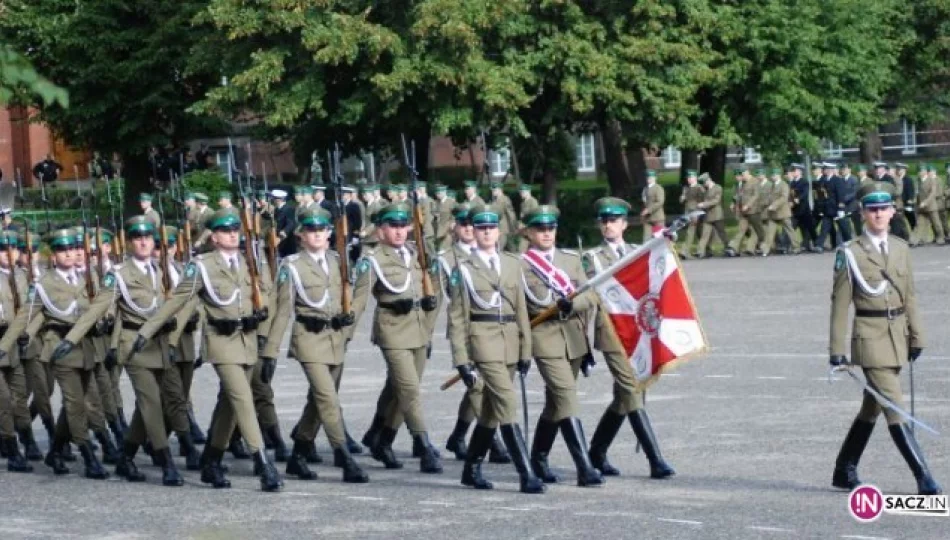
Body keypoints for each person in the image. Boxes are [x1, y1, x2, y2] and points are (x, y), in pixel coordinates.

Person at [130, 207, 283, 492]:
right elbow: (178, 300)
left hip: (247, 340)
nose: (233, 235)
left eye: (236, 230)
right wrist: (148, 330)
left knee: (230, 404)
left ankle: (211, 462)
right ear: (213, 237)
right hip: (221, 342)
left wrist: (264, 334)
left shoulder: (249, 261)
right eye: (226, 231)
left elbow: (268, 297)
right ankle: (263, 464)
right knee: (243, 398)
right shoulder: (202, 266)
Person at [53, 217, 186, 485]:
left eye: (148, 236)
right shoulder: (120, 274)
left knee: (146, 408)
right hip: (134, 344)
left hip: (159, 343)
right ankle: (166, 462)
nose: (144, 241)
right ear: (129, 243)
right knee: (151, 402)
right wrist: (72, 337)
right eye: (137, 237)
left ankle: (125, 458)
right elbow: (98, 307)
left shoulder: (162, 270)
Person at [829, 182, 941, 496]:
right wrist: (836, 350)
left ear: (893, 211)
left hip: (898, 337)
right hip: (870, 338)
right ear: (863, 213)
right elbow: (839, 304)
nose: (878, 214)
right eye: (872, 208)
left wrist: (917, 335)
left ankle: (843, 469)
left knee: (872, 407)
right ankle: (924, 478)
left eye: (883, 208)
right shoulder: (850, 253)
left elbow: (910, 296)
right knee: (894, 405)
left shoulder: (901, 248)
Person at [262, 208, 369, 483]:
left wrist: (350, 320)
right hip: (309, 338)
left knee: (317, 402)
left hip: (335, 338)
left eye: (322, 229)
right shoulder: (292, 266)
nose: (318, 234)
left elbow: (355, 295)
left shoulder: (338, 260)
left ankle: (298, 455)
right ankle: (344, 457)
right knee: (328, 399)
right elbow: (282, 311)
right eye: (311, 229)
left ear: (330, 233)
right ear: (300, 234)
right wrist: (270, 351)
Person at [446, 203, 545, 494]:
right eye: (481, 228)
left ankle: (471, 468)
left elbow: (523, 311)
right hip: (484, 341)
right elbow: (457, 319)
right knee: (507, 402)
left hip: (511, 341)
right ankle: (526, 474)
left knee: (490, 413)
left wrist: (526, 350)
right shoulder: (463, 269)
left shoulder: (513, 263)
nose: (487, 233)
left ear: (499, 231)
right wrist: (462, 360)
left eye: (491, 228)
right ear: (473, 232)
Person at [581, 198, 675, 479]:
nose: (609, 225)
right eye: (604, 221)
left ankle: (596, 451)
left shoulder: (638, 252)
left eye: (614, 220)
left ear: (624, 224)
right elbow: (591, 296)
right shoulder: (592, 258)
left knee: (623, 398)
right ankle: (655, 460)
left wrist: (665, 244)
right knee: (631, 390)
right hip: (610, 332)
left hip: (636, 332)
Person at [350, 202, 443, 474]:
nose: (400, 231)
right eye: (393, 226)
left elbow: (431, 288)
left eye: (404, 226)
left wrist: (428, 318)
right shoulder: (373, 260)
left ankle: (382, 438)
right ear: (380, 231)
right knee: (410, 390)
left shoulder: (416, 254)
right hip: (392, 329)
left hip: (417, 327)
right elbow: (359, 301)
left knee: (396, 390)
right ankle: (423, 445)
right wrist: (344, 333)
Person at [520, 204, 603, 487]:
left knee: (556, 402)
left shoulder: (569, 260)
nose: (546, 233)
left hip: (574, 336)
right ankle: (585, 467)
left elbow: (590, 295)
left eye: (550, 228)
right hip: (545, 338)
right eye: (540, 229)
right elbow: (522, 305)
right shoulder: (520, 265)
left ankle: (538, 459)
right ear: (529, 232)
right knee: (567, 396)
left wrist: (572, 303)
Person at [20, 228, 109, 479]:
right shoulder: (45, 282)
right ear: (54, 254)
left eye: (73, 248)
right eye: (62, 250)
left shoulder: (86, 278)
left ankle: (56, 450)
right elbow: (29, 316)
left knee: (88, 400)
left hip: (86, 348)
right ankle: (87, 454)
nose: (70, 254)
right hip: (60, 347)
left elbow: (98, 308)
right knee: (75, 403)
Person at [0, 231, 33, 472]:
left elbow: (31, 309)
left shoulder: (22, 276)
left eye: (12, 249)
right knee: (3, 401)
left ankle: (28, 439)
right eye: (3, 250)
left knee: (19, 397)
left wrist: (26, 332)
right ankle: (12, 450)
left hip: (16, 345)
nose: (8, 254)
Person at [762, 167, 800, 255]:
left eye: (774, 175)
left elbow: (783, 197)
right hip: (773, 213)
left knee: (790, 231)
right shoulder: (772, 185)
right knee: (770, 232)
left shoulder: (784, 185)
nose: (772, 177)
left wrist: (774, 205)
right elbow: (769, 198)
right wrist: (765, 204)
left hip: (783, 212)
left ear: (778, 175)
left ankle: (796, 247)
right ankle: (766, 250)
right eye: (772, 175)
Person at [695, 173, 728, 257]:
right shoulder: (706, 190)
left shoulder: (718, 188)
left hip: (717, 215)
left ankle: (729, 248)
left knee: (722, 233)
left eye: (705, 182)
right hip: (708, 216)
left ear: (709, 180)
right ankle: (700, 251)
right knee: (705, 234)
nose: (704, 184)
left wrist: (704, 204)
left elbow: (716, 201)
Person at [914, 164, 944, 245]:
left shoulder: (931, 180)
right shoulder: (918, 180)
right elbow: (917, 193)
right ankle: (916, 240)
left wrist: (925, 202)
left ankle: (941, 237)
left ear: (926, 172)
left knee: (936, 223)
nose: (920, 172)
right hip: (921, 207)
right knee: (919, 224)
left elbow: (932, 193)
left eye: (922, 171)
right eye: (919, 171)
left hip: (930, 206)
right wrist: (916, 203)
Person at [789, 164, 817, 251]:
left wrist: (799, 199)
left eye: (796, 171)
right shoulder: (793, 182)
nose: (794, 172)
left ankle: (816, 243)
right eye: (793, 171)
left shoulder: (804, 181)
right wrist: (790, 201)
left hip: (804, 209)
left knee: (809, 227)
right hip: (795, 209)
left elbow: (805, 193)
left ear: (800, 172)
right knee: (792, 227)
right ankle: (803, 245)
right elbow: (791, 194)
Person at [678, 170, 705, 258]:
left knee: (696, 231)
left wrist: (697, 213)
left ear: (695, 178)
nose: (689, 179)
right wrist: (682, 198)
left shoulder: (699, 188)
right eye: (688, 178)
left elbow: (701, 201)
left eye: (691, 177)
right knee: (694, 232)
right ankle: (700, 250)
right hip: (688, 212)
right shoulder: (686, 188)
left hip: (696, 212)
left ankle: (687, 251)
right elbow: (682, 200)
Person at [489, 181, 517, 251]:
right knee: (508, 248)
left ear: (500, 190)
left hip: (503, 229)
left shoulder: (505, 200)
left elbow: (511, 215)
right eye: (492, 190)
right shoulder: (495, 200)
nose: (493, 192)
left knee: (500, 249)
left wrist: (513, 228)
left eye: (494, 190)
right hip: (497, 228)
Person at [271, 189, 296, 257]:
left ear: (280, 199)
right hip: (278, 239)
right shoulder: (277, 209)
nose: (273, 200)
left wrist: (284, 232)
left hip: (287, 241)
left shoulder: (288, 209)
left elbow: (291, 223)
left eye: (274, 198)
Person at [517, 184, 539, 253]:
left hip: (530, 228)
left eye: (523, 192)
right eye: (520, 192)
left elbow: (535, 216)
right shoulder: (523, 203)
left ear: (528, 192)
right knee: (522, 249)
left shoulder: (533, 202)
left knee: (533, 249)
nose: (521, 194)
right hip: (523, 229)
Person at [433, 184, 456, 251]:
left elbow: (454, 217)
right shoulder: (436, 202)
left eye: (439, 193)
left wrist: (452, 224)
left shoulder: (451, 202)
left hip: (447, 232)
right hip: (437, 232)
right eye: (436, 193)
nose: (437, 195)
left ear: (444, 192)